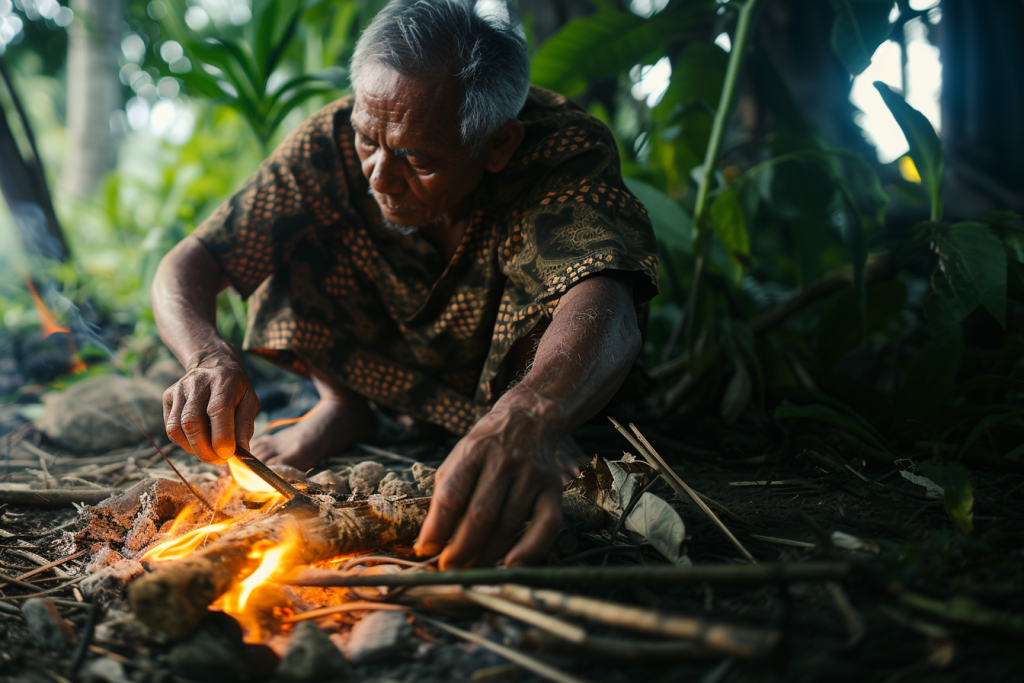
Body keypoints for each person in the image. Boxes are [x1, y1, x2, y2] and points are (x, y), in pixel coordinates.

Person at [153, 0, 658, 570]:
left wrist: (533, 414)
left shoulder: (563, 149)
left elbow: (607, 299)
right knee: (291, 230)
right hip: (382, 349)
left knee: (574, 290)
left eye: (418, 158)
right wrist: (207, 356)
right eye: (368, 140)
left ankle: (514, 432)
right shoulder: (328, 139)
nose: (379, 175)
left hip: (506, 380)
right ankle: (342, 404)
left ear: (499, 145)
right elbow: (190, 262)